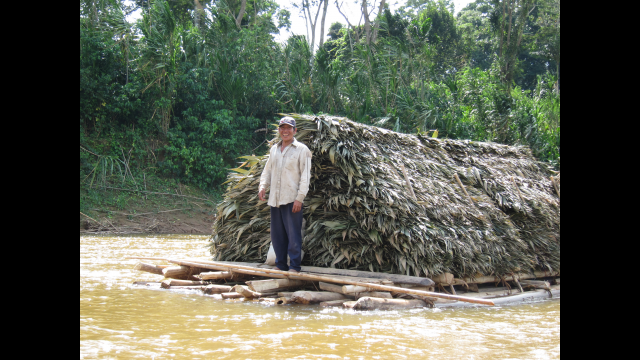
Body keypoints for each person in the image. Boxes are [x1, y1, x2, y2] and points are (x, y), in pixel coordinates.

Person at [258, 116, 312, 273]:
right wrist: (263, 186)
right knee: (277, 235)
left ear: (294, 131)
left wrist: (299, 198)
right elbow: (267, 170)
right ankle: (281, 264)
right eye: (282, 128)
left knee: (293, 234)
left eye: (289, 128)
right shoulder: (274, 149)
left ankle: (294, 266)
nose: (285, 131)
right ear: (279, 130)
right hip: (275, 198)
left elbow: (305, 177)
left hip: (292, 199)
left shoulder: (302, 150)